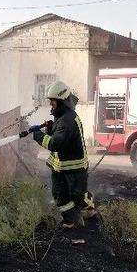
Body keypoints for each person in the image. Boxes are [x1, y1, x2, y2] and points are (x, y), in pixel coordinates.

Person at [30, 81, 95, 228]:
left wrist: (37, 134)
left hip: (75, 169)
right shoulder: (62, 116)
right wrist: (51, 129)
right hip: (59, 168)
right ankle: (71, 220)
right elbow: (59, 136)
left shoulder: (68, 120)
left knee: (79, 196)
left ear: (61, 101)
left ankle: (89, 209)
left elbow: (55, 144)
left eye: (52, 101)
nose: (50, 104)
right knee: (60, 196)